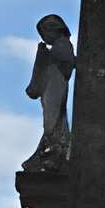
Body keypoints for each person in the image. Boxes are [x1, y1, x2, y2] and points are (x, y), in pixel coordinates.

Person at [23, 14, 76, 168]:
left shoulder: (62, 44)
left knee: (53, 119)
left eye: (45, 34)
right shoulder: (58, 46)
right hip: (50, 86)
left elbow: (65, 60)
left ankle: (54, 150)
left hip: (55, 86)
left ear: (55, 30)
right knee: (52, 118)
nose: (44, 38)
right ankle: (50, 149)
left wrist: (43, 55)